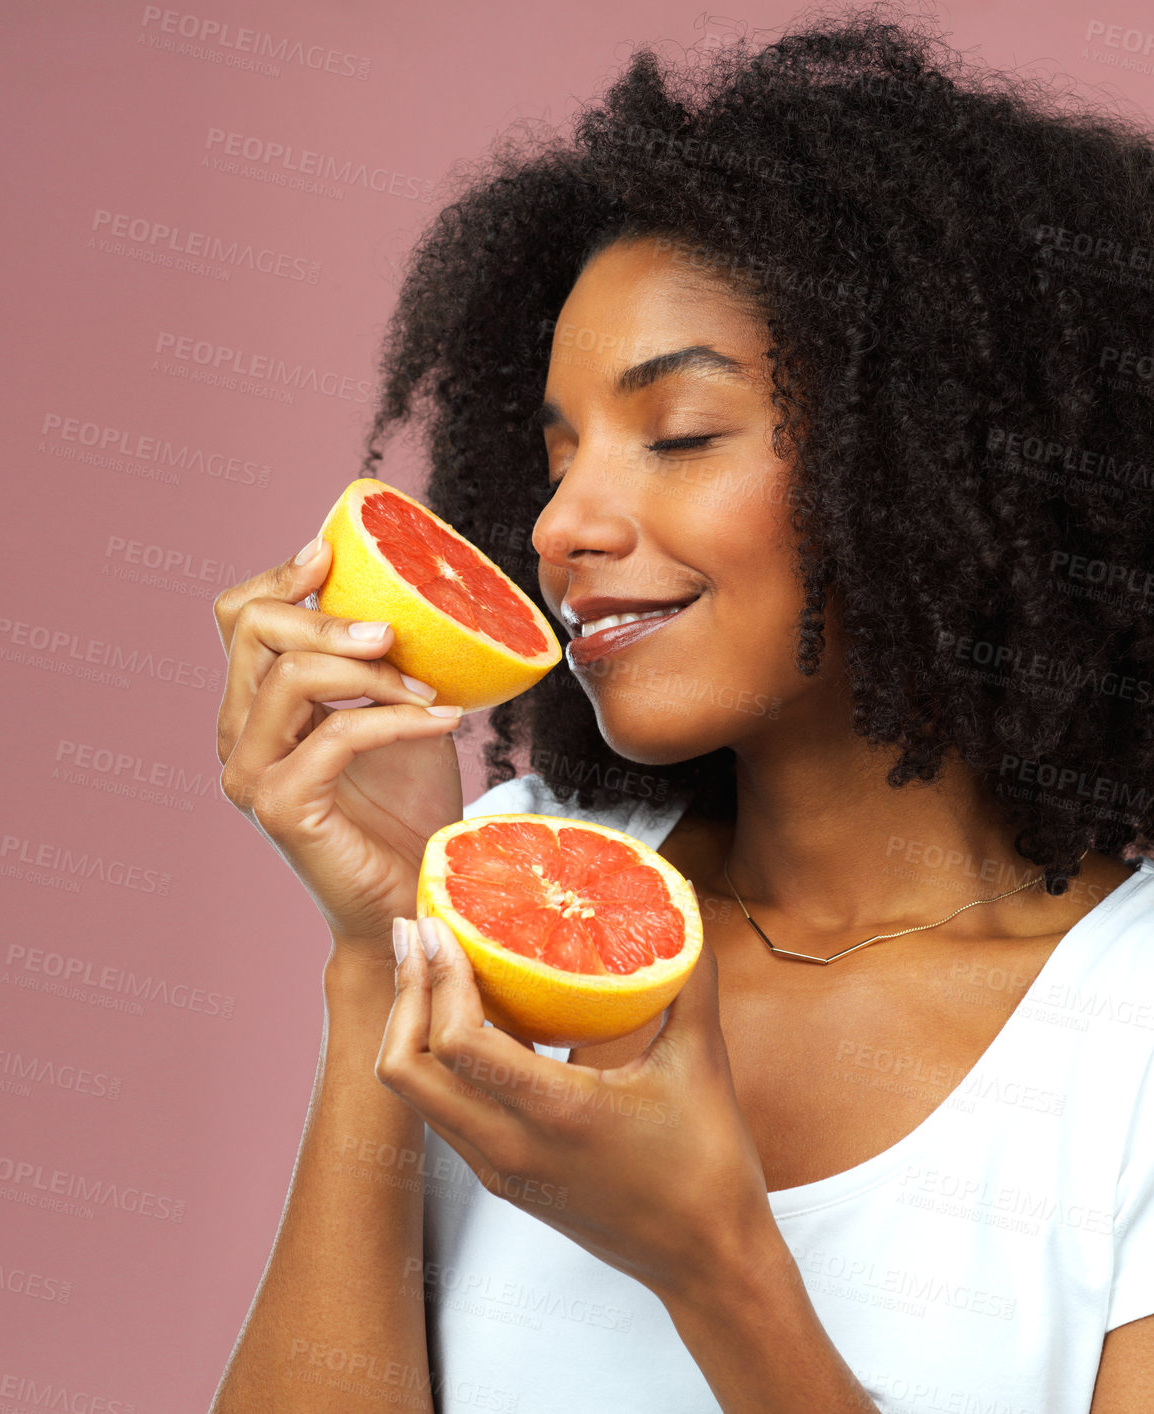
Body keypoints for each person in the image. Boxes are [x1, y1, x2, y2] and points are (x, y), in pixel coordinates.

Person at [210, 4, 1154, 1410]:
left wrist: (712, 1262)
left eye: (680, 435)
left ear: (935, 459)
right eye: (553, 452)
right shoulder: (522, 911)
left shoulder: (1124, 1038)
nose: (559, 524)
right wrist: (380, 950)